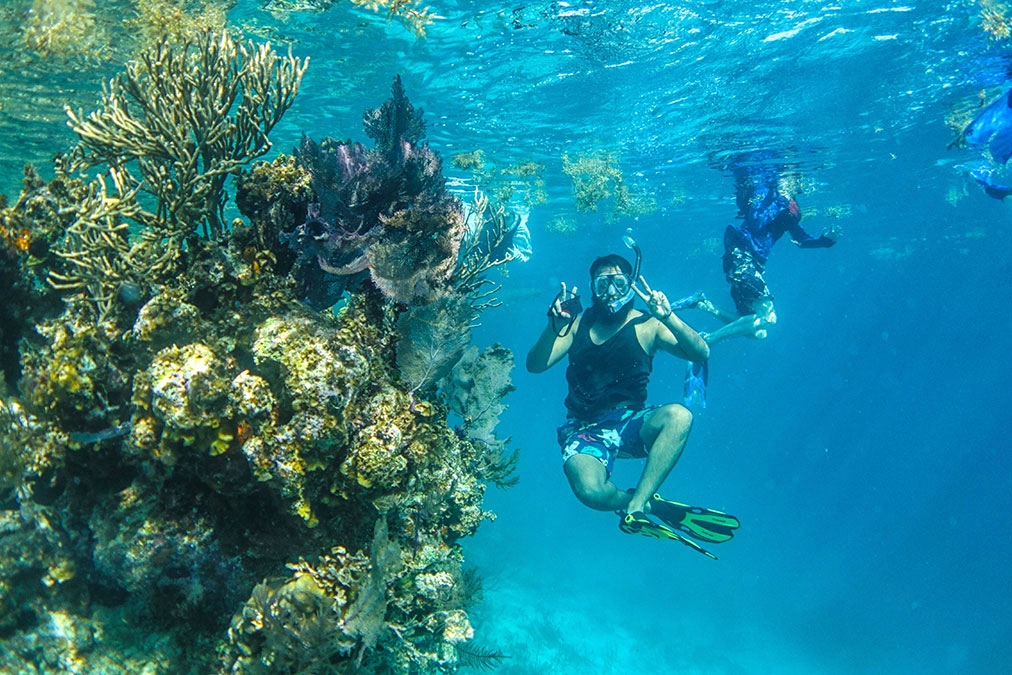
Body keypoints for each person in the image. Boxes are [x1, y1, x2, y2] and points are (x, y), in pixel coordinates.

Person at [526, 252, 740, 558]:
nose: (611, 292)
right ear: (592, 288)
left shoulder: (649, 324)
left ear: (630, 285)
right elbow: (535, 365)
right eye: (602, 284)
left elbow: (700, 352)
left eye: (619, 283)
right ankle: (641, 503)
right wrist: (553, 326)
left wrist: (668, 316)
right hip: (583, 429)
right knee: (590, 492)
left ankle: (637, 505)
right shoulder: (576, 324)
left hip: (631, 424)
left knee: (680, 416)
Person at [696, 162, 842, 345]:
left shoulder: (787, 203)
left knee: (758, 333)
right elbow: (757, 221)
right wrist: (782, 199)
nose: (800, 183)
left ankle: (703, 305)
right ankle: (708, 339)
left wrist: (825, 241)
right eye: (796, 178)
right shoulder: (766, 193)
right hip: (742, 257)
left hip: (749, 263)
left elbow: (801, 239)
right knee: (769, 318)